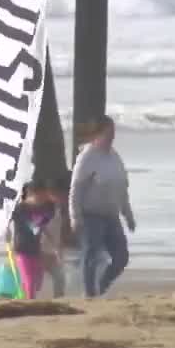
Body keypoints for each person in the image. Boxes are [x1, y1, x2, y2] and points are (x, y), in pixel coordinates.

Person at [68, 115, 135, 298]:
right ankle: (90, 294)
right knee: (91, 256)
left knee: (121, 257)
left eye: (113, 132)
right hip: (91, 215)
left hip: (111, 215)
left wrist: (128, 214)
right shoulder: (87, 157)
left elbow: (122, 187)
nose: (112, 136)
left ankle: (101, 286)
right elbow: (76, 189)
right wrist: (75, 216)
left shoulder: (114, 157)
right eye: (108, 132)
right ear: (97, 134)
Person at [9, 182, 56, 300]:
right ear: (30, 194)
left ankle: (23, 298)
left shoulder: (44, 208)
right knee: (30, 281)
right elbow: (8, 219)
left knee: (38, 282)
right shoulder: (20, 208)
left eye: (44, 196)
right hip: (22, 248)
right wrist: (7, 233)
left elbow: (42, 226)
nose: (42, 199)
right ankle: (31, 306)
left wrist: (52, 240)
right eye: (40, 195)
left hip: (35, 249)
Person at [38, 185, 67, 298]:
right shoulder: (47, 210)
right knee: (58, 277)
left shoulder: (58, 210)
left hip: (51, 251)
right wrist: (52, 240)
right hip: (43, 250)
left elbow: (58, 231)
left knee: (59, 277)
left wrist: (59, 247)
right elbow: (40, 225)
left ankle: (58, 300)